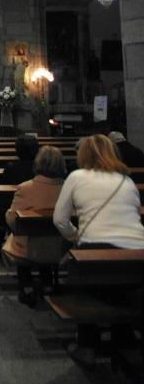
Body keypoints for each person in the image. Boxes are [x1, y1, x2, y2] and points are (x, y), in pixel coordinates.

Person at [53, 134, 144, 366]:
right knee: (123, 287)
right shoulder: (127, 181)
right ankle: (125, 340)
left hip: (96, 251)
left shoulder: (77, 176)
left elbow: (60, 221)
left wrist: (77, 237)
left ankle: (87, 344)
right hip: (137, 252)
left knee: (86, 278)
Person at [2, 146, 67, 306]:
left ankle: (27, 285)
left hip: (31, 247)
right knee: (46, 236)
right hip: (63, 247)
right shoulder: (69, 188)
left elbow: (13, 220)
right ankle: (48, 282)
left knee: (23, 235)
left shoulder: (26, 188)